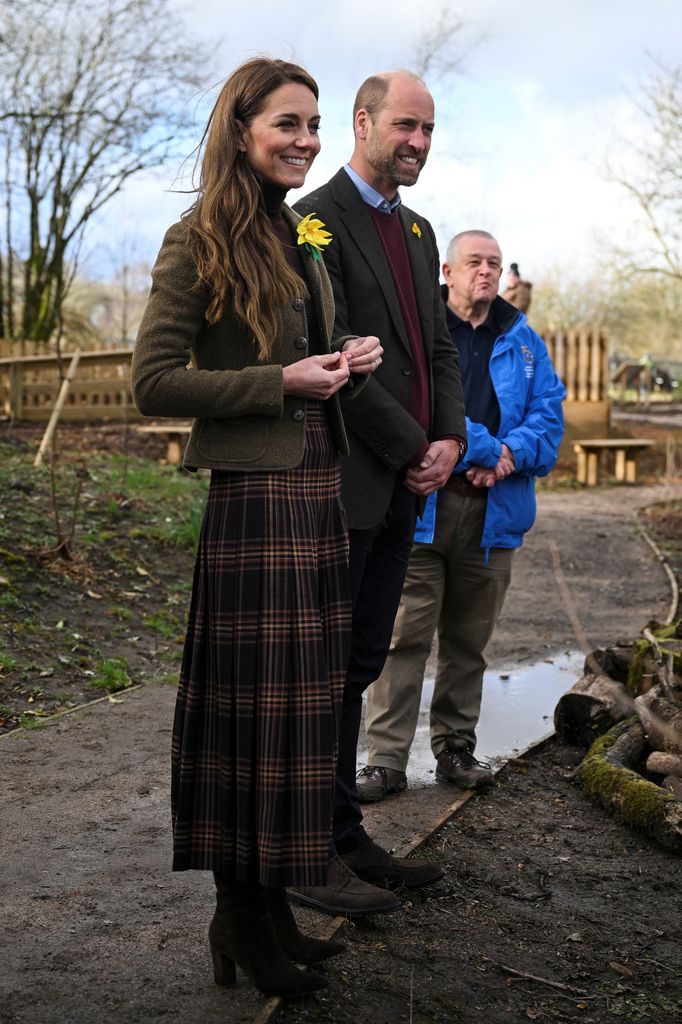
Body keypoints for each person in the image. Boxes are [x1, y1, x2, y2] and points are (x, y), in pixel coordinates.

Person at [132, 58, 384, 999]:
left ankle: (265, 905)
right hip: (254, 503)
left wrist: (347, 363)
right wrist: (277, 383)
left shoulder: (298, 238)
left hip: (318, 488)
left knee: (300, 713)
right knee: (252, 715)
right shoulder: (196, 239)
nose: (307, 139)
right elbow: (153, 382)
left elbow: (302, 360)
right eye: (288, 123)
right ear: (241, 130)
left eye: (314, 124)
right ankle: (239, 914)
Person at [288, 71, 466, 918]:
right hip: (349, 479)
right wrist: (410, 446)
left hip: (407, 488)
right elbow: (330, 352)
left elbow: (438, 347)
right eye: (405, 126)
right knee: (323, 670)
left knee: (362, 661)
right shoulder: (312, 221)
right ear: (363, 123)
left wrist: (452, 439)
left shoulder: (423, 229)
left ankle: (344, 830)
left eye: (428, 130)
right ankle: (306, 847)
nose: (419, 143)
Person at [358, 230, 565, 801]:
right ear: (445, 271)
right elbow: (415, 413)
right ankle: (385, 760)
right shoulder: (421, 335)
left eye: (495, 263)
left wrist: (509, 455)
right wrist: (485, 450)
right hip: (423, 509)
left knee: (469, 643)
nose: (487, 272)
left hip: (494, 516)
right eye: (474, 262)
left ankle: (454, 747)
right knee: (403, 639)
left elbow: (549, 423)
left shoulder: (524, 342)